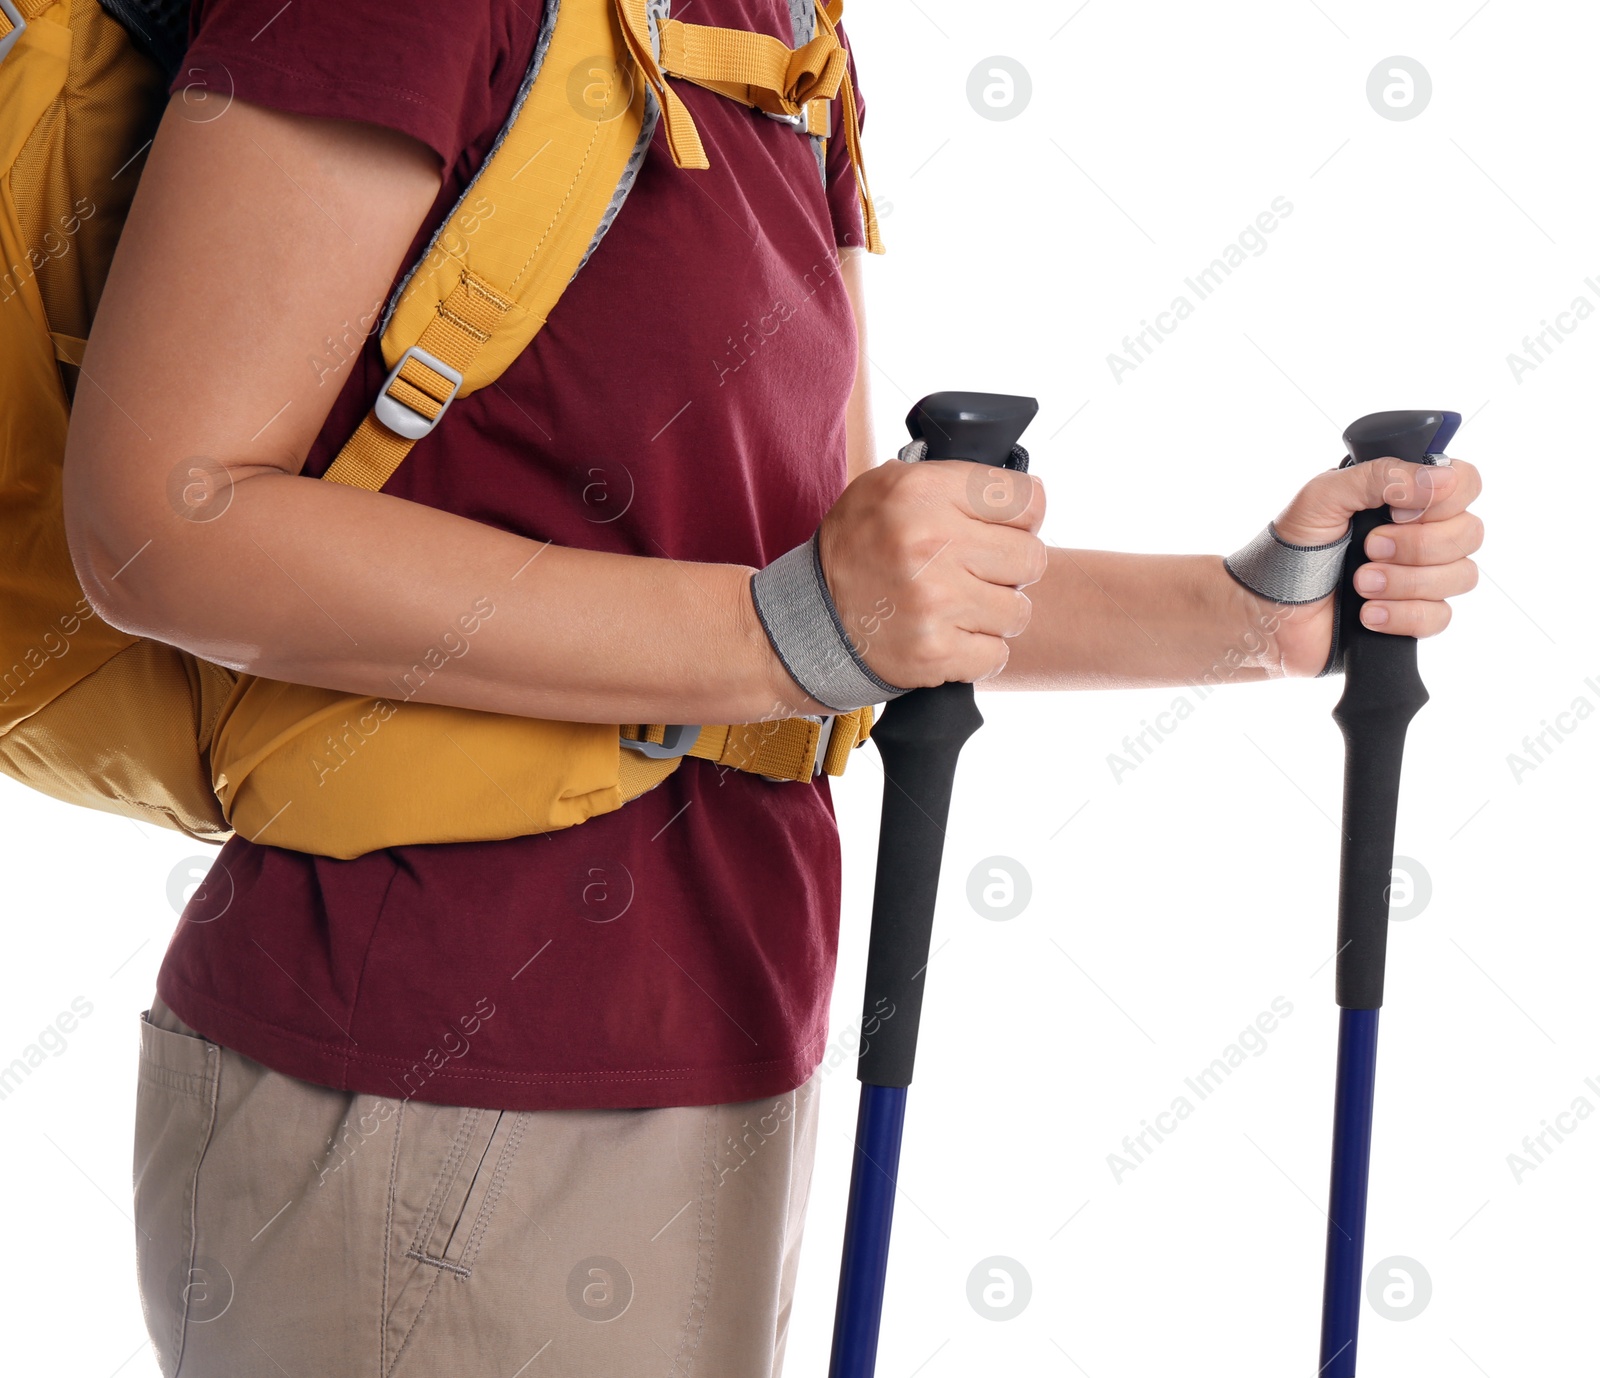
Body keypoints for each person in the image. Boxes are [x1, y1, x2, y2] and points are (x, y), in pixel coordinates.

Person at [60, 2, 1485, 1374]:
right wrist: (796, 623)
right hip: (434, 1065)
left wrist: (1253, 613)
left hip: (724, 1044)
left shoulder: (788, 35)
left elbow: (856, 591)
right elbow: (163, 523)